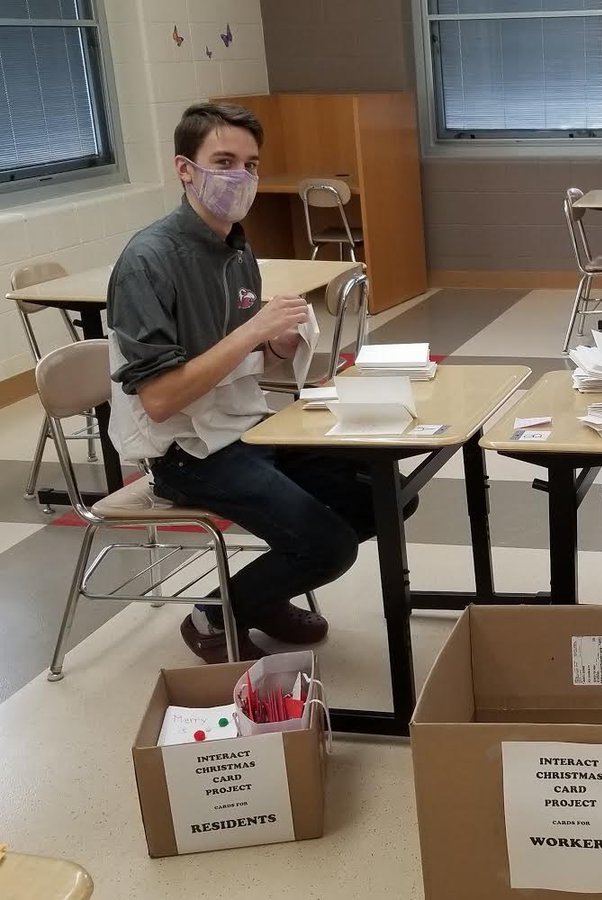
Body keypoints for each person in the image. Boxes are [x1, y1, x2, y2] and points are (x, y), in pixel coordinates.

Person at [107, 102, 404, 664]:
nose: (239, 177)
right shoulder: (149, 261)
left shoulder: (236, 249)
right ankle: (217, 613)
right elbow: (161, 398)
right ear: (185, 169)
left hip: (244, 425)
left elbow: (246, 366)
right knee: (329, 544)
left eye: (250, 164)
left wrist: (276, 346)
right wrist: (252, 335)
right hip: (186, 451)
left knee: (383, 497)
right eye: (223, 161)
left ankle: (264, 594)